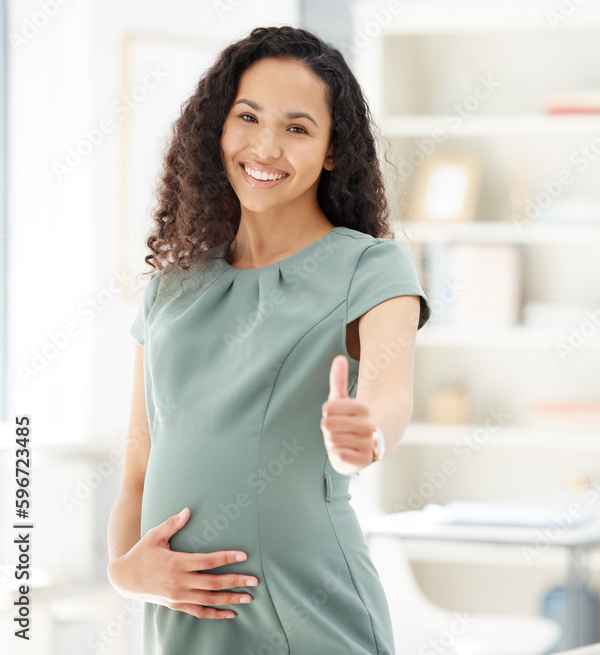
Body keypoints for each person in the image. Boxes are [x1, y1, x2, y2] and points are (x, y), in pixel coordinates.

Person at [106, 25, 430, 654]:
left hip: (308, 610)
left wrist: (367, 436)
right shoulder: (170, 290)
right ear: (216, 128)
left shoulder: (370, 267)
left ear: (334, 150)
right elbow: (138, 469)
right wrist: (125, 574)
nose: (265, 146)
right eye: (248, 117)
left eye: (297, 128)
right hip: (180, 621)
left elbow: (392, 398)